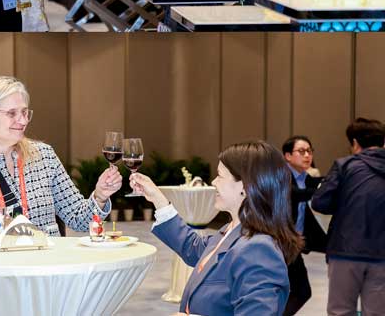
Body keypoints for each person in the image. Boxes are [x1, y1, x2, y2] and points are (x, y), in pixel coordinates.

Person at [0, 76, 121, 242]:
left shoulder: (44, 156)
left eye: (25, 112)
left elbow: (79, 219)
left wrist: (100, 196)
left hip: (46, 269)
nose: (23, 120)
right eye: (12, 113)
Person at [130, 141, 300, 316]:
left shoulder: (259, 250)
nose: (213, 182)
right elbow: (195, 249)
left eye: (220, 176)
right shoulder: (233, 229)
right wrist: (157, 198)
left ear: (245, 186)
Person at [311, 117, 385, 316]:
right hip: (382, 255)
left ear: (355, 143)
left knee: (341, 311)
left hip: (345, 250)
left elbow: (320, 202)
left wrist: (345, 204)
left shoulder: (345, 165)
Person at [282, 134, 325, 315]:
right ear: (287, 156)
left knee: (301, 292)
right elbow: (295, 194)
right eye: (301, 151)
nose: (307, 155)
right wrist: (321, 190)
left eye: (309, 151)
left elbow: (317, 184)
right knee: (295, 291)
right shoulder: (280, 176)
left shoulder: (305, 178)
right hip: (276, 243)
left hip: (292, 245)